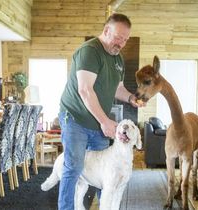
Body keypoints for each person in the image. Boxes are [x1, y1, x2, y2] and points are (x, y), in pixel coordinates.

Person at [57, 13, 143, 210]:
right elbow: (85, 90)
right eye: (118, 37)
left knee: (106, 170)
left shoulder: (118, 59)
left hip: (97, 122)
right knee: (74, 167)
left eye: (126, 40)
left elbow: (118, 88)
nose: (121, 43)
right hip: (75, 119)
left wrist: (130, 98)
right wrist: (105, 121)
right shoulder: (90, 51)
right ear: (106, 31)